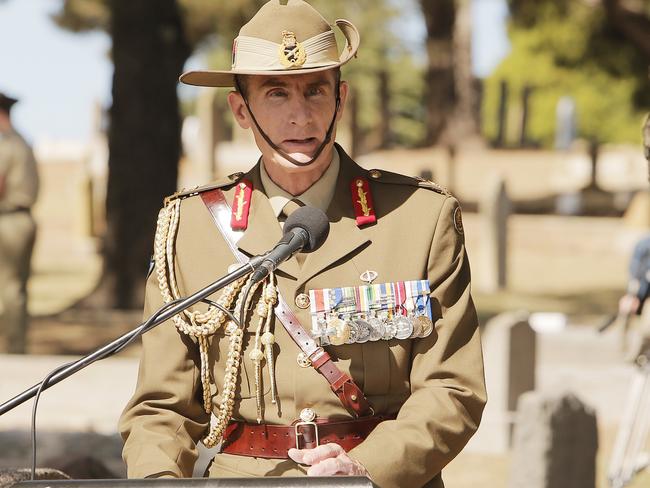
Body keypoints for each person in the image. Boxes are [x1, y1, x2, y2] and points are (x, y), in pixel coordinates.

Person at [119, 1, 486, 486]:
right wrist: (158, 477)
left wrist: (369, 467)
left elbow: (452, 388)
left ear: (341, 98)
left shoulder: (419, 219)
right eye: (276, 93)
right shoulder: (191, 228)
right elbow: (160, 408)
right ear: (240, 109)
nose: (300, 115)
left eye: (316, 90)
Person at [0, 92, 39, 354]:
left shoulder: (5, 144)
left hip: (8, 220)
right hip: (23, 219)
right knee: (17, 288)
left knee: (10, 290)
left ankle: (12, 351)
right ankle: (16, 346)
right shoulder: (23, 141)